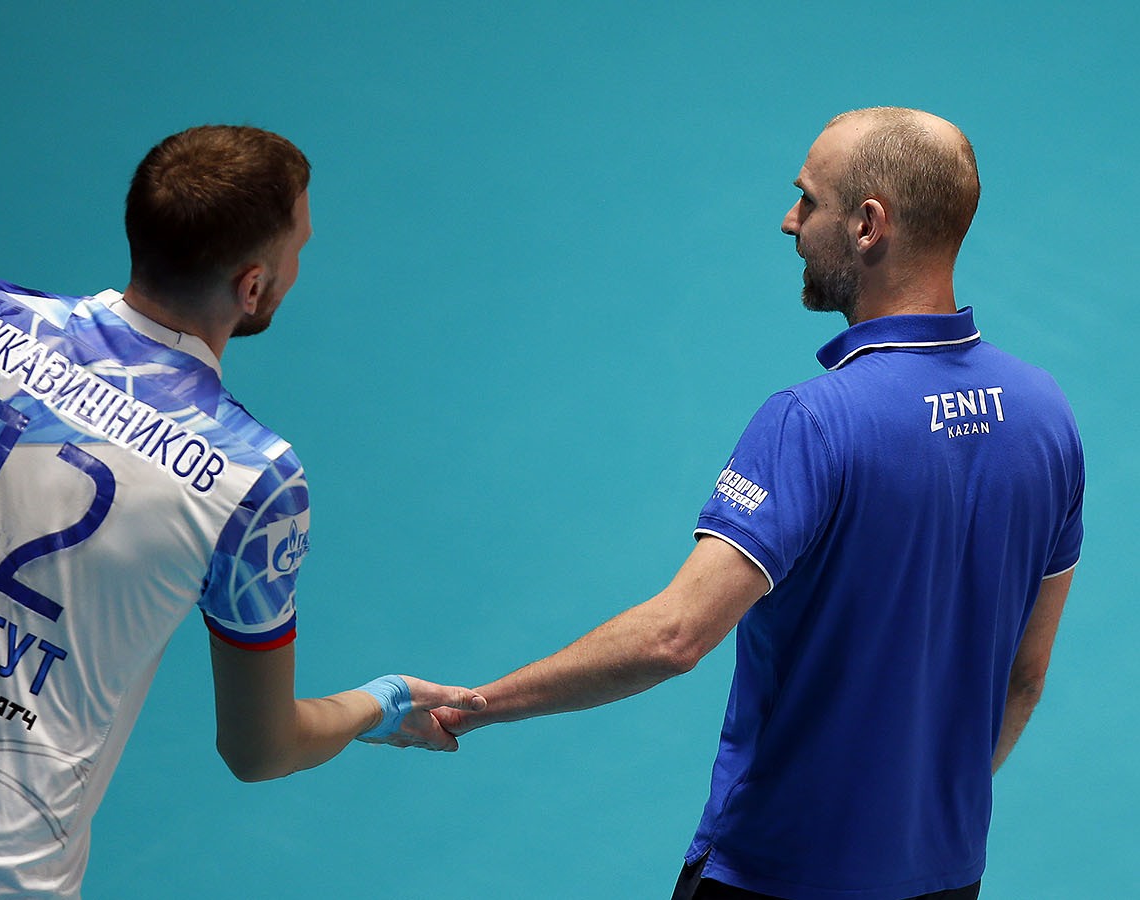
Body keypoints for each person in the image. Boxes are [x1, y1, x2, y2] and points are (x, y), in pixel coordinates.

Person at [0, 124, 482, 899]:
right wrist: (380, 704)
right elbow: (260, 750)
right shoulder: (253, 480)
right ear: (253, 286)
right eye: (299, 248)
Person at [431, 108, 1084, 900]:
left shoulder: (811, 422)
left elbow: (673, 635)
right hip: (943, 878)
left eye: (808, 200)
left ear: (867, 225)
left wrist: (475, 705)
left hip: (775, 877)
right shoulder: (1046, 416)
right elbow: (1024, 678)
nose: (789, 221)